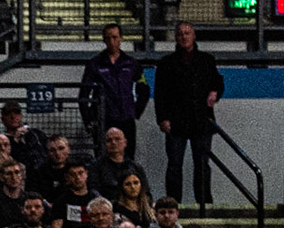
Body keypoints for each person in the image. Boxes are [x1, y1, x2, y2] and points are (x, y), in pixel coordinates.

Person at [154, 23, 222, 205]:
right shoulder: (166, 63)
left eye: (187, 33)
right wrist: (162, 118)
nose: (183, 37)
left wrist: (215, 92)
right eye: (180, 34)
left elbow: (218, 82)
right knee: (175, 165)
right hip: (176, 122)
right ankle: (173, 203)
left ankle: (204, 202)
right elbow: (160, 93)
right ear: (176, 38)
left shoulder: (207, 60)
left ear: (194, 36)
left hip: (201, 121)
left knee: (202, 165)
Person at [79, 25, 150, 158]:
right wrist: (88, 120)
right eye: (108, 38)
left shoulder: (132, 63)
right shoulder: (94, 64)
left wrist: (136, 111)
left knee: (128, 159)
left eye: (115, 37)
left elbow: (144, 89)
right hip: (103, 119)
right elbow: (84, 94)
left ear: (121, 38)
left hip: (126, 119)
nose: (112, 41)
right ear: (103, 40)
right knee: (102, 158)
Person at [89, 128, 147, 205]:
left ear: (125, 142)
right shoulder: (96, 166)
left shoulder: (135, 167)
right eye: (109, 140)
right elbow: (92, 189)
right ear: (105, 144)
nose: (113, 143)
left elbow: (146, 192)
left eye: (117, 139)